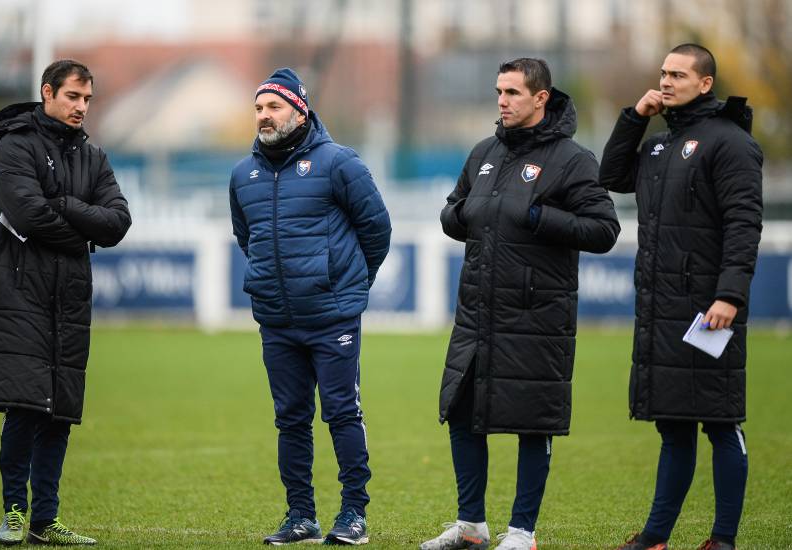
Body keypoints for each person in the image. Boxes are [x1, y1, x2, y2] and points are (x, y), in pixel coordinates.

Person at [421, 58, 620, 550]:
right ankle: (471, 527)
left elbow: (604, 229)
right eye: (498, 92)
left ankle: (522, 532)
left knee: (534, 422)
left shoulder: (572, 159)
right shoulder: (484, 151)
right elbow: (455, 208)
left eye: (511, 92)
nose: (502, 101)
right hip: (477, 313)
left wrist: (540, 216)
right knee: (462, 412)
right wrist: (457, 213)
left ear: (540, 98)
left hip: (536, 318)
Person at [599, 44, 763, 550]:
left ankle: (723, 539)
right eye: (663, 73)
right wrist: (634, 118)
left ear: (705, 83)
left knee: (720, 422)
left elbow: (743, 223)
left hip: (710, 308)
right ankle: (655, 536)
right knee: (673, 428)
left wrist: (729, 295)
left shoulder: (730, 142)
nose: (666, 82)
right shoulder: (659, 145)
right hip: (662, 308)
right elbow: (611, 176)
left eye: (678, 75)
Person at [0, 59, 131, 546]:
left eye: (87, 100)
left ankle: (45, 518)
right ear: (48, 93)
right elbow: (28, 213)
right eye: (73, 97)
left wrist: (67, 206)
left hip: (69, 298)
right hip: (18, 294)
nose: (81, 107)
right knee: (23, 405)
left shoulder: (94, 158)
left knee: (59, 410)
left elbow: (118, 221)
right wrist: (79, 229)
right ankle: (15, 512)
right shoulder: (14, 148)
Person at [229, 68, 391, 546]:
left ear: (300, 110)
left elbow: (376, 231)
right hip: (277, 321)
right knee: (290, 419)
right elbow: (249, 239)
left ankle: (354, 514)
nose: (264, 115)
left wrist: (350, 285)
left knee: (342, 414)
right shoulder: (243, 174)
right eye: (258, 107)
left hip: (332, 318)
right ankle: (301, 514)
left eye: (273, 106)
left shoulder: (340, 163)